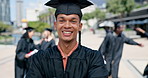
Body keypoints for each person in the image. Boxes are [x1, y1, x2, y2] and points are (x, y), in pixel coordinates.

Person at [26, 0, 108, 78]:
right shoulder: (40, 59)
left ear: (80, 26)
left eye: (73, 21)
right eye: (62, 21)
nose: (67, 26)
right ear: (55, 25)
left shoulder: (93, 58)